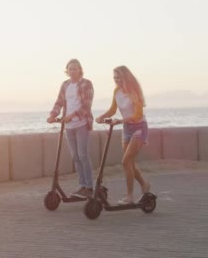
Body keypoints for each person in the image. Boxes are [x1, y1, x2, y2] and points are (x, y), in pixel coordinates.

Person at [96, 65, 151, 204]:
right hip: (127, 128)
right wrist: (102, 116)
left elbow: (138, 115)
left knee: (125, 161)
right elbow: (113, 109)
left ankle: (129, 197)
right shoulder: (117, 91)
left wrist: (121, 120)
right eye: (114, 78)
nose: (117, 80)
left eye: (119, 77)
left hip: (139, 128)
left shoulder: (134, 92)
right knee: (130, 162)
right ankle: (144, 184)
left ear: (126, 77)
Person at [47, 59, 95, 198]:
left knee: (83, 155)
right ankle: (82, 185)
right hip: (68, 126)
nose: (72, 71)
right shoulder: (65, 85)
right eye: (70, 69)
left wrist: (72, 115)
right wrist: (53, 114)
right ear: (66, 70)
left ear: (80, 69)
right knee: (75, 157)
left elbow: (87, 106)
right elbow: (59, 101)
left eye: (75, 68)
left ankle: (89, 187)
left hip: (82, 124)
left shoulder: (86, 84)